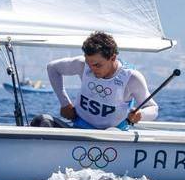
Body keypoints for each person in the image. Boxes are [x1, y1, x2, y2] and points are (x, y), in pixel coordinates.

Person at [30, 31, 159, 129]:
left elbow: (153, 109)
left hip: (112, 137)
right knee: (40, 121)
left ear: (113, 58)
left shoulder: (132, 78)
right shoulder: (83, 65)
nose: (91, 69)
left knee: (111, 133)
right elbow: (53, 68)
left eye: (97, 65)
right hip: (79, 129)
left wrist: (140, 115)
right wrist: (65, 103)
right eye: (88, 63)